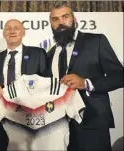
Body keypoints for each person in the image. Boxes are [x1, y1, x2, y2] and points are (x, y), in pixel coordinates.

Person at [47, 3, 124, 151]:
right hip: (58, 127)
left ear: (75, 19)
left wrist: (87, 83)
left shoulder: (96, 41)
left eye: (65, 16)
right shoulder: (49, 54)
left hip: (92, 122)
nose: (60, 22)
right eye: (55, 19)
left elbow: (120, 76)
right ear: (51, 23)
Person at [0, 19, 48, 150]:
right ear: (3, 34)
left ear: (23, 32)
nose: (12, 31)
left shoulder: (37, 54)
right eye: (8, 28)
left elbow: (47, 83)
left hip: (31, 115)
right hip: (4, 114)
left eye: (16, 28)